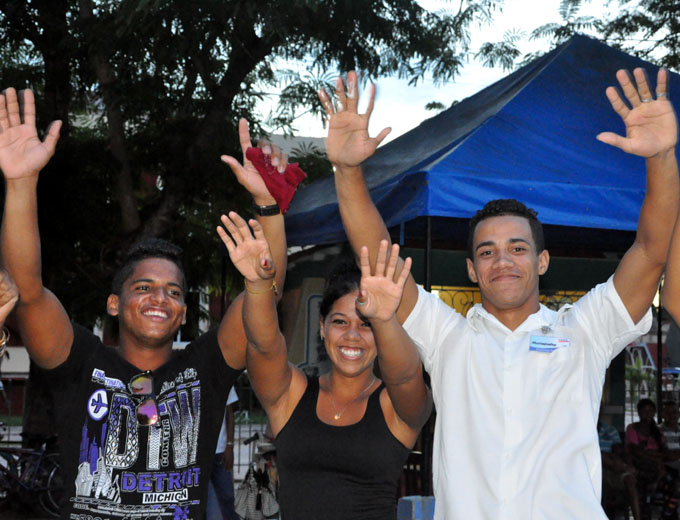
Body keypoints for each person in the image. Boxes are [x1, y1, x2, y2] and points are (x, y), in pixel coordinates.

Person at [318, 67, 679, 519]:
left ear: (542, 262)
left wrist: (662, 157)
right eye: (487, 252)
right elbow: (378, 255)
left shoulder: (586, 329)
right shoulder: (448, 337)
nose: (503, 261)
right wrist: (348, 170)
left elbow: (649, 251)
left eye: (518, 248)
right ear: (472, 269)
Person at [0, 87, 288, 519]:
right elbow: (27, 288)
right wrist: (21, 184)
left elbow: (266, 290)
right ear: (113, 304)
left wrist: (268, 206)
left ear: (185, 313)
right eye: (144, 287)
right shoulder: (80, 364)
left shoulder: (204, 370)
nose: (160, 298)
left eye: (174, 292)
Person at [217, 211, 432, 520]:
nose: (352, 336)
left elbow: (406, 373)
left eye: (367, 325)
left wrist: (384, 318)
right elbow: (263, 346)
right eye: (340, 322)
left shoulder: (394, 404)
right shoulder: (292, 395)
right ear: (322, 327)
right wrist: (257, 285)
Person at [598, 411, 640, 520]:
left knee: (629, 479)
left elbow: (618, 449)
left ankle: (637, 517)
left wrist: (615, 455)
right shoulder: (583, 429)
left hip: (613, 467)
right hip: (594, 467)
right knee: (598, 454)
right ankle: (624, 467)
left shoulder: (610, 430)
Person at [206, 386, 239, 520]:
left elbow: (230, 412)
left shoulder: (223, 377)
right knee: (199, 499)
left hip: (220, 450)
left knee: (227, 496)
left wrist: (230, 445)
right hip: (198, 454)